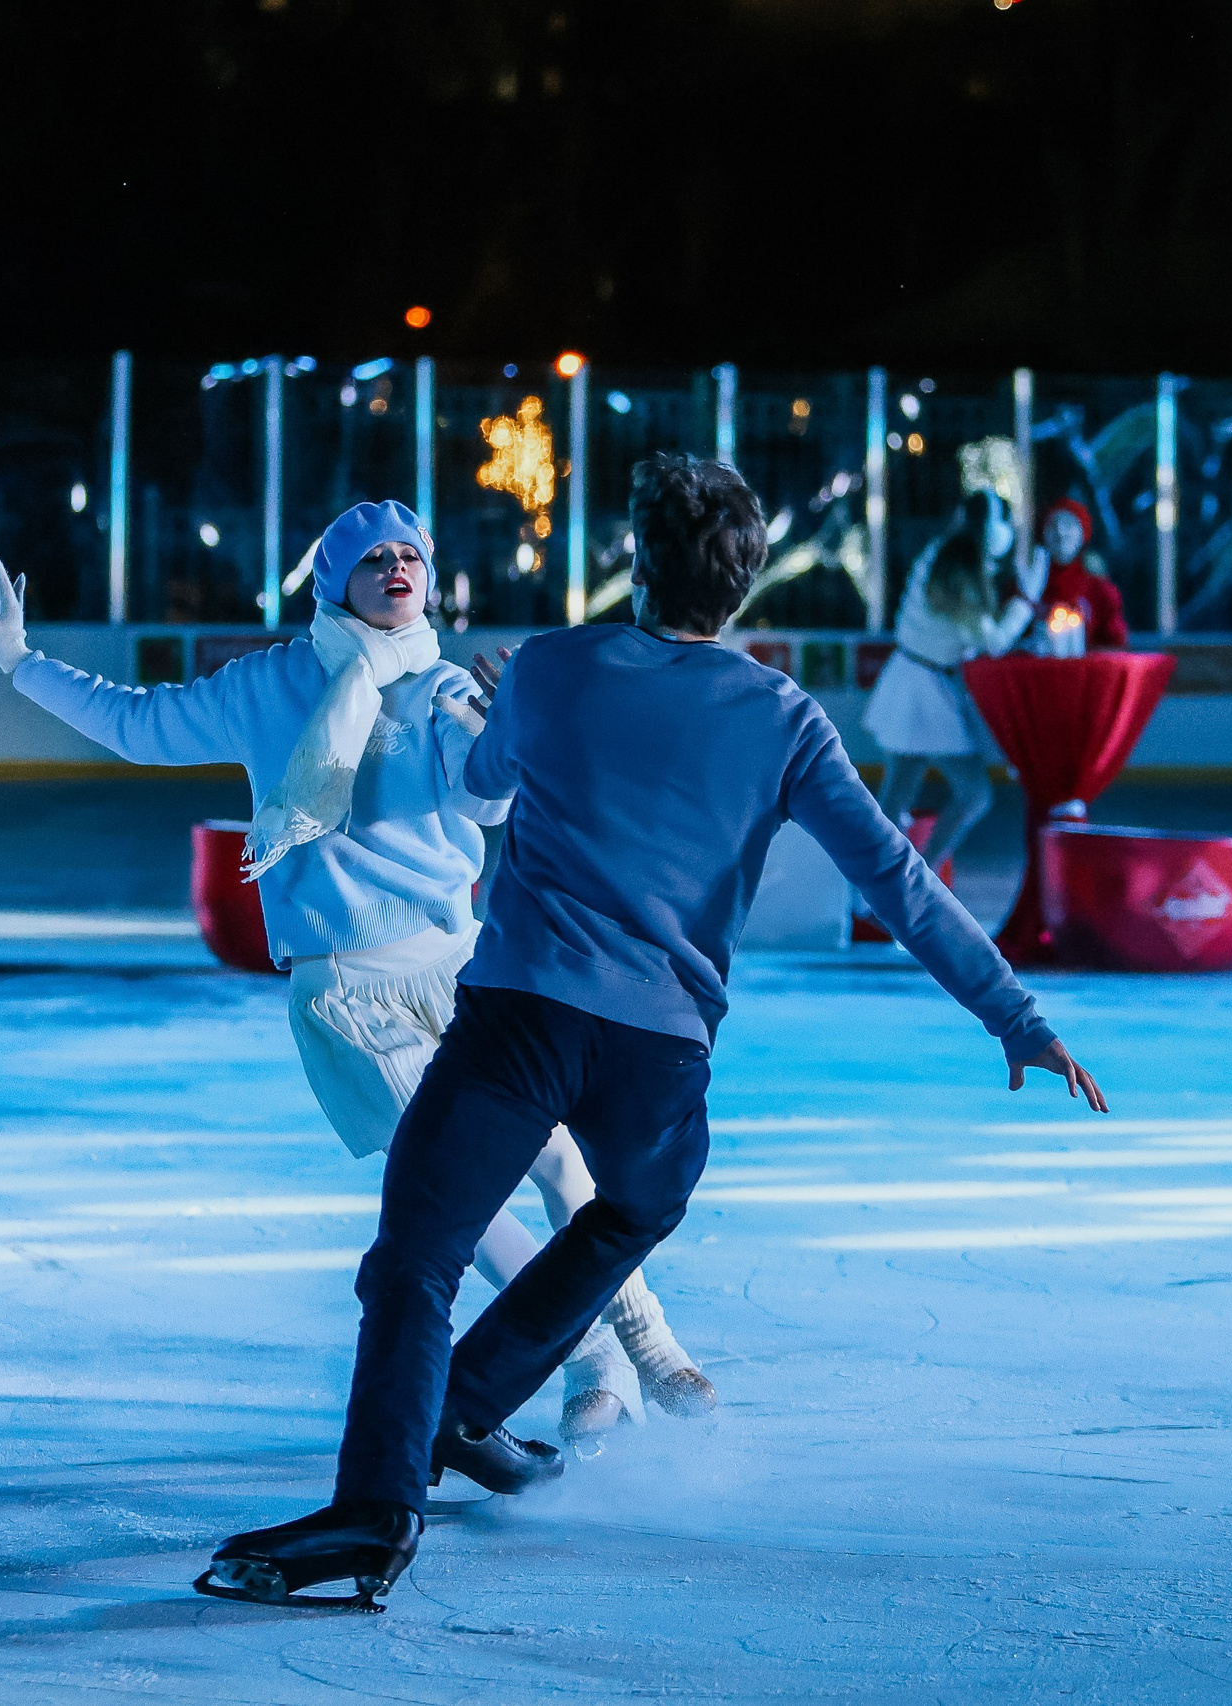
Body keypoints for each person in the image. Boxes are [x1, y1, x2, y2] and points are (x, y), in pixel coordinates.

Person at [199, 454, 1108, 1612]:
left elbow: (481, 779)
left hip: (518, 1021)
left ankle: (380, 1506)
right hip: (658, 1059)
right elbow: (898, 879)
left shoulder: (553, 665)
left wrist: (512, 706)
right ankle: (465, 1407)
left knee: (416, 1257)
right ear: (744, 581)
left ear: (639, 561)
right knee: (633, 1205)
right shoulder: (784, 716)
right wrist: (1014, 1017)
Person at [0, 501, 714, 1450]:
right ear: (334, 581)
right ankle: (589, 1356)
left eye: (411, 556)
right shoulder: (268, 684)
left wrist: (513, 731)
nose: (398, 568)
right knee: (461, 1194)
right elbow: (139, 725)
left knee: (561, 1160)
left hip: (461, 972)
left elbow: (482, 801)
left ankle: (650, 1344)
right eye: (374, 558)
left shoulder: (443, 687)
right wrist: (23, 665)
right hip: (347, 994)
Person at [862, 489, 1034, 872]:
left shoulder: (942, 555)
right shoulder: (959, 574)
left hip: (910, 678)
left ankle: (874, 883)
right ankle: (918, 877)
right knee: (973, 795)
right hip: (924, 687)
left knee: (896, 795)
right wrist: (1025, 603)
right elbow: (994, 642)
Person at [1035, 497, 1128, 650]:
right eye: (1053, 525)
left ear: (1082, 532)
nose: (1060, 532)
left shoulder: (1099, 588)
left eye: (1069, 524)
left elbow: (1116, 642)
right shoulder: (1032, 584)